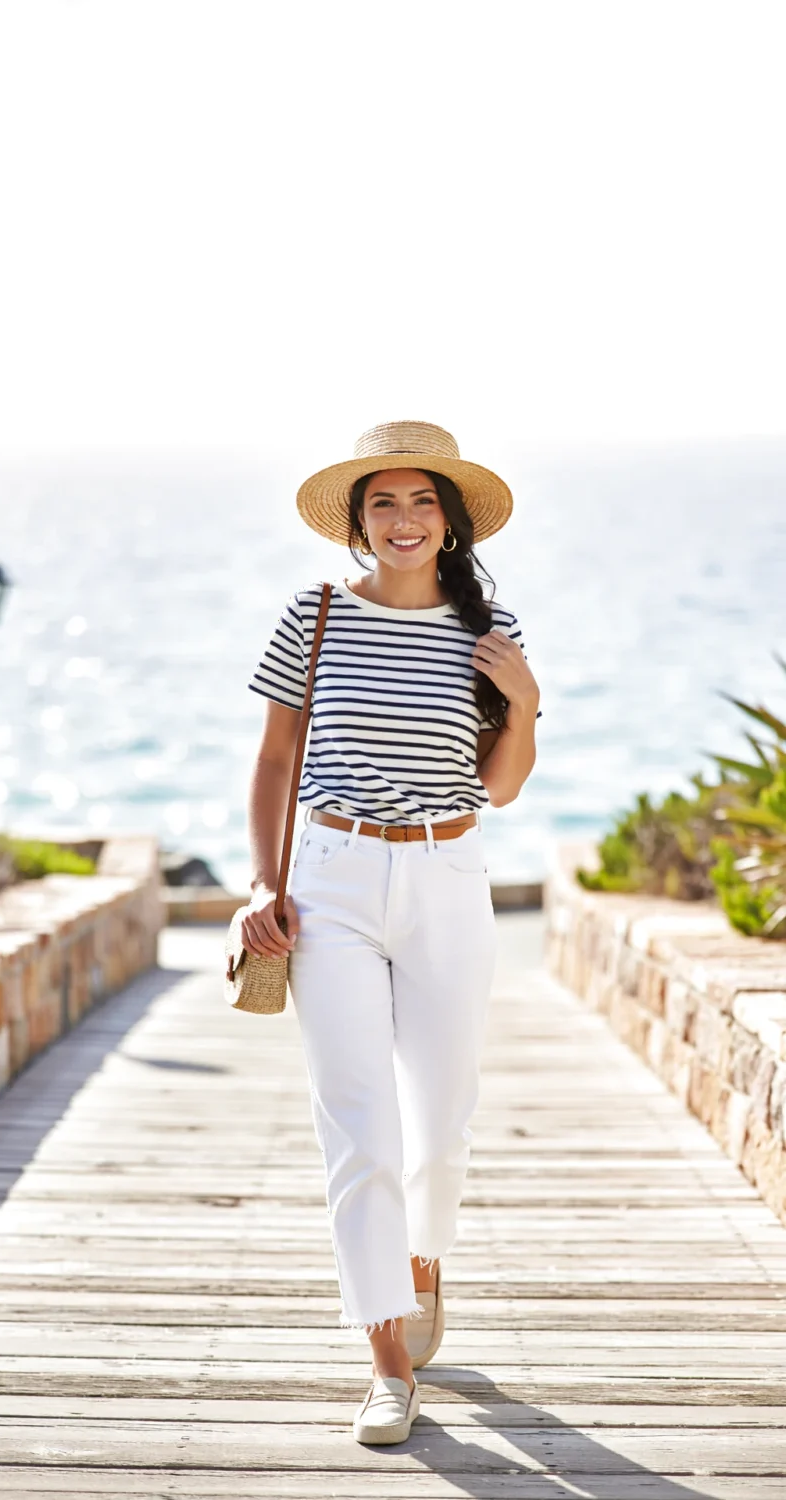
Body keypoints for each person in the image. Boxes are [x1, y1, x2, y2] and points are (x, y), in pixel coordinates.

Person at [241, 421, 542, 1445]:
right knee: (357, 1122)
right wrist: (260, 882)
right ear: (357, 524)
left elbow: (498, 786)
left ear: (450, 523)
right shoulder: (314, 615)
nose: (403, 520)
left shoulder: (489, 630)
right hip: (331, 877)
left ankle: (422, 1258)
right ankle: (383, 1364)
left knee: (442, 1116)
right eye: (383, 503)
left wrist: (526, 707)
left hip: (448, 872)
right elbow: (276, 760)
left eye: (422, 503)